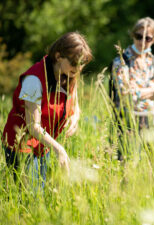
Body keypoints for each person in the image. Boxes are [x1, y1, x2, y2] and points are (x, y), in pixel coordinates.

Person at [1, 32, 92, 186]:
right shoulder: (34, 80)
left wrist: (76, 113)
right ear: (58, 56)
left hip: (44, 144)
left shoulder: (68, 71)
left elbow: (73, 88)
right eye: (75, 63)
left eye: (82, 63)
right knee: (29, 197)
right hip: (22, 145)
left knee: (40, 193)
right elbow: (33, 126)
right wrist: (59, 149)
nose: (78, 68)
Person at [111, 17, 154, 159]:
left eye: (147, 38)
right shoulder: (121, 60)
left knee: (153, 166)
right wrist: (153, 89)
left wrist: (140, 91)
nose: (142, 41)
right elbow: (125, 93)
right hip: (128, 121)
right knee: (127, 166)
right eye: (139, 36)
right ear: (133, 35)